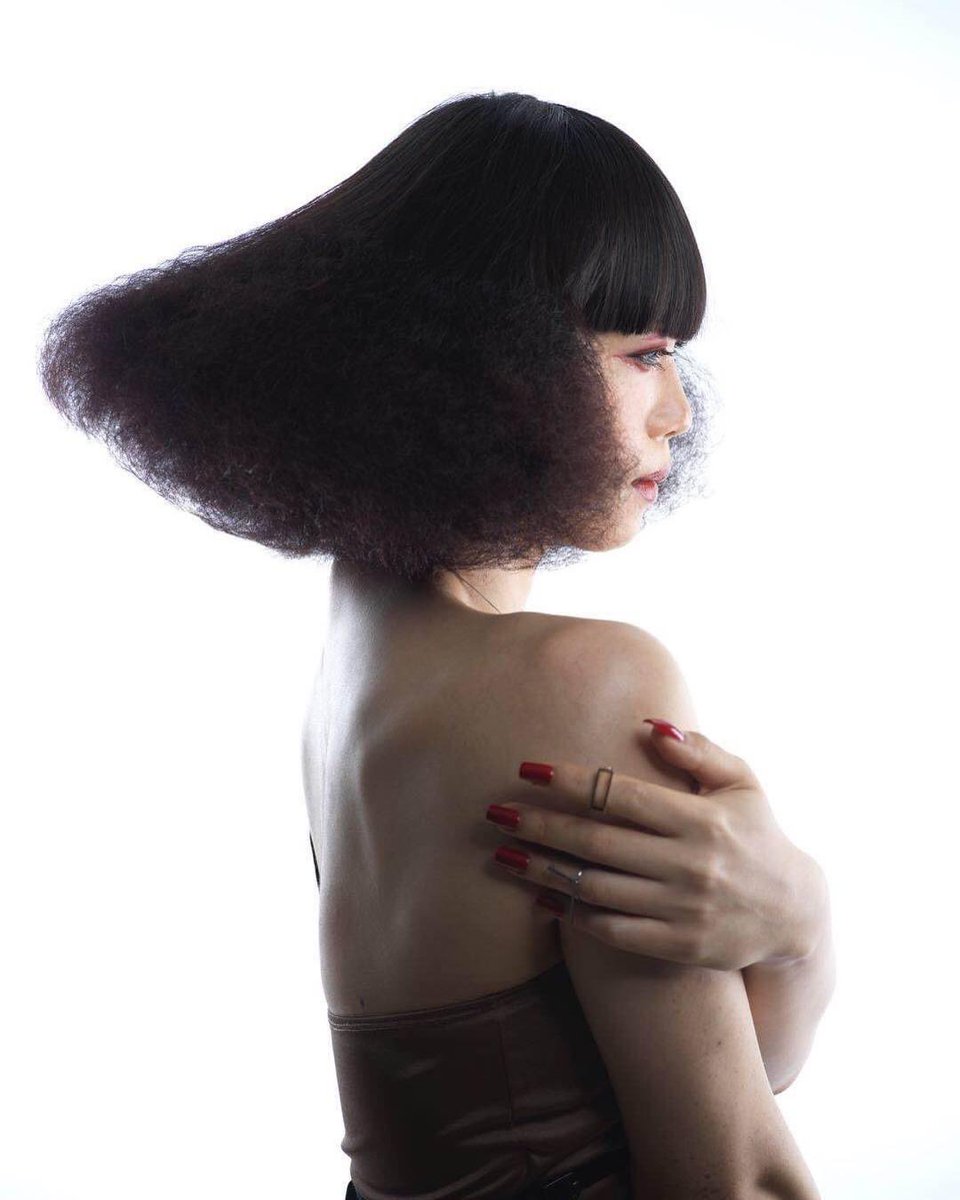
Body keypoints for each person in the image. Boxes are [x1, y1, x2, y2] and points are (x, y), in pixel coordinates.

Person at [38, 89, 833, 1200]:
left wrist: (797, 930)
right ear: (496, 363)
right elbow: (740, 1172)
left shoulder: (357, 670)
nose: (678, 415)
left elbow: (718, 1072)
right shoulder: (580, 681)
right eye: (643, 354)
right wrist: (801, 923)